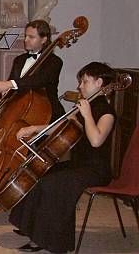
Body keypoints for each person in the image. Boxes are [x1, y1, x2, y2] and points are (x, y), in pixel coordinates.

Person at [9, 62, 116, 253]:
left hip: (96, 170)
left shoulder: (107, 112)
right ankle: (30, 228)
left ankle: (47, 241)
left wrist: (87, 115)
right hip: (79, 165)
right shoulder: (87, 106)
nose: (80, 86)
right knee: (40, 174)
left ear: (99, 82)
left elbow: (96, 140)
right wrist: (32, 128)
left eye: (84, 82)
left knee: (55, 185)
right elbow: (61, 126)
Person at [0, 19, 65, 121]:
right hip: (21, 110)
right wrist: (4, 90)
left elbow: (38, 80)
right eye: (26, 36)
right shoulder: (19, 60)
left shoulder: (54, 62)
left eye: (31, 37)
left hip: (47, 113)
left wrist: (9, 84)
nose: (26, 40)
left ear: (43, 39)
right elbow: (14, 83)